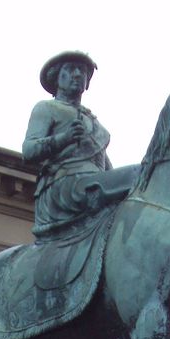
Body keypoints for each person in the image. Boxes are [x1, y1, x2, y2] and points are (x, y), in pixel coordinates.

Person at [22, 51, 137, 240]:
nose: (77, 74)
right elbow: (29, 150)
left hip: (92, 183)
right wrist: (64, 138)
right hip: (65, 184)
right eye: (70, 69)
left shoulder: (93, 121)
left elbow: (104, 165)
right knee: (135, 174)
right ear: (57, 78)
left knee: (139, 183)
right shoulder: (47, 108)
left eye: (82, 71)